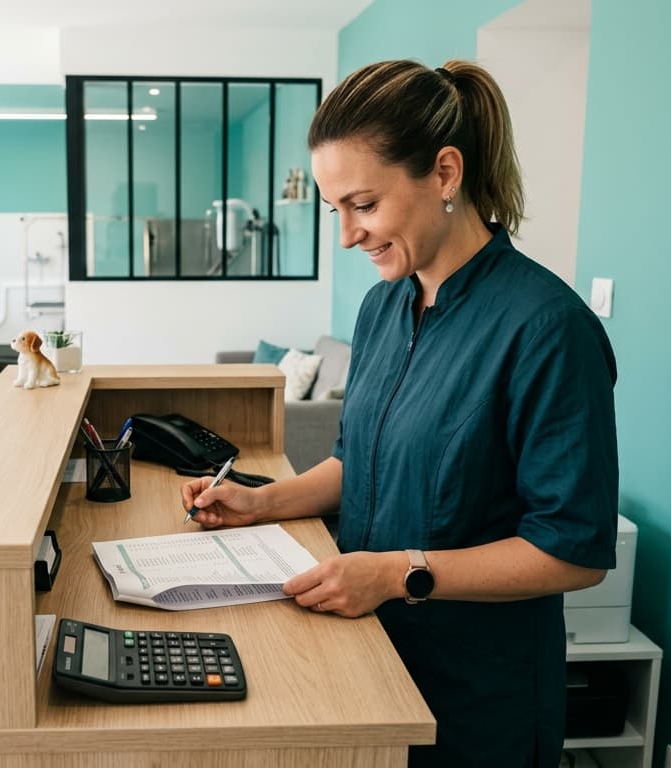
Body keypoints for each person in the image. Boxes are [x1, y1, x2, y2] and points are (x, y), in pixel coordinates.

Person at [181, 59, 619, 767]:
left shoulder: (547, 329)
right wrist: (262, 504)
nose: (349, 235)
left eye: (364, 204)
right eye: (336, 211)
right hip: (370, 657)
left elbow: (572, 550)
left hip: (477, 697)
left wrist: (395, 573)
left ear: (445, 174)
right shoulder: (384, 305)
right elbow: (359, 459)